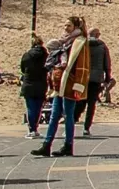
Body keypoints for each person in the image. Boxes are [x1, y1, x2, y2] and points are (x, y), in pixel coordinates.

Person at [33, 17, 90, 158]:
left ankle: (68, 145)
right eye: (65, 25)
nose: (65, 28)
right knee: (54, 115)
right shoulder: (62, 42)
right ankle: (47, 144)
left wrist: (79, 86)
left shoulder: (80, 42)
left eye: (69, 25)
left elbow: (83, 66)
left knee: (68, 115)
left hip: (70, 83)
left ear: (75, 26)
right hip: (59, 83)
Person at [82, 27, 112, 136]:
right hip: (96, 78)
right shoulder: (102, 46)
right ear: (95, 34)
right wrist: (107, 77)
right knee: (91, 104)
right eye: (98, 33)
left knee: (79, 102)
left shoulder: (83, 44)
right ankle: (86, 127)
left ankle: (72, 121)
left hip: (83, 77)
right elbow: (106, 63)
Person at [19, 33, 47, 138]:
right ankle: (35, 127)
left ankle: (32, 129)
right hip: (41, 83)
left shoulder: (27, 55)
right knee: (38, 107)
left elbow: (22, 69)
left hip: (29, 83)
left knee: (30, 107)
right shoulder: (45, 55)